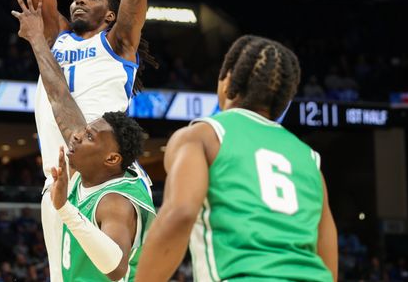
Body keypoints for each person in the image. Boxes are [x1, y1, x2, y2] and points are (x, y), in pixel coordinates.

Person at [15, 0, 156, 282]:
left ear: (110, 14)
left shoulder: (118, 43)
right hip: (60, 177)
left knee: (113, 269)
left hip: (102, 169)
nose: (78, 0)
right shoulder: (54, 35)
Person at [135, 35, 338, 282]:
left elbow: (181, 213)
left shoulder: (202, 135)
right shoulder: (309, 158)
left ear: (227, 79)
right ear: (284, 98)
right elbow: (327, 254)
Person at [12, 0, 155, 281]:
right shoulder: (76, 182)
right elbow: (61, 98)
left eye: (88, 136)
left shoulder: (116, 196)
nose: (77, 137)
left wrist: (64, 209)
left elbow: (115, 268)